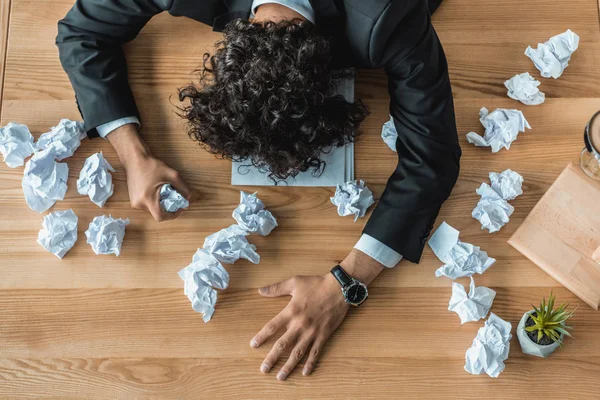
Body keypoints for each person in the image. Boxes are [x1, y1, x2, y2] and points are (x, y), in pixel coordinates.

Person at [56, 0, 461, 381]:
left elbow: (432, 157)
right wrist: (132, 155)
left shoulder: (388, 18)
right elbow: (81, 31)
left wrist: (347, 282)